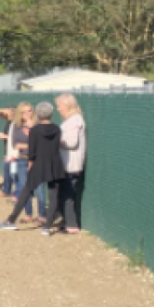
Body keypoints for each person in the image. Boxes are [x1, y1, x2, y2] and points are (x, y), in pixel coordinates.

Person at [0, 102, 67, 235]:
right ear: (51, 114)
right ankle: (47, 227)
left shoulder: (35, 130)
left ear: (38, 114)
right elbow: (56, 146)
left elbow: (32, 152)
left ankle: (11, 221)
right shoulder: (57, 129)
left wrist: (30, 164)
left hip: (39, 164)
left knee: (26, 191)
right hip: (55, 164)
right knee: (53, 195)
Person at [9, 102, 47, 224]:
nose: (27, 114)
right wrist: (31, 145)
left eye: (29, 110)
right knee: (25, 187)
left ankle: (42, 215)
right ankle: (28, 214)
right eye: (24, 111)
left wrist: (32, 129)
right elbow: (15, 144)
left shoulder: (38, 125)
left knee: (39, 189)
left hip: (37, 160)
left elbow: (42, 143)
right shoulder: (17, 126)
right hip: (22, 159)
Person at [56, 93, 87, 234]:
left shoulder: (75, 121)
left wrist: (55, 141)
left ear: (67, 106)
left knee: (67, 196)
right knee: (64, 195)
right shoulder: (71, 120)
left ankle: (71, 225)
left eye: (60, 106)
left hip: (71, 165)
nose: (58, 109)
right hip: (66, 164)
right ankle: (67, 222)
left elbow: (72, 142)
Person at [0, 107, 16, 198]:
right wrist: (5, 110)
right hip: (7, 151)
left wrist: (5, 136)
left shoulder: (17, 123)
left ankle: (16, 192)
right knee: (6, 171)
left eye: (10, 112)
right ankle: (6, 190)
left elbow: (17, 137)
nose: (7, 113)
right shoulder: (9, 120)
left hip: (15, 152)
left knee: (13, 173)